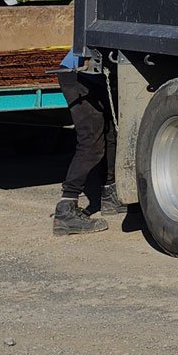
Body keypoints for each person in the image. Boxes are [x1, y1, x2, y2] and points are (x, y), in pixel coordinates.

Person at [54, 49, 113, 236]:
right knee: (91, 142)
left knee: (111, 134)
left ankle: (110, 193)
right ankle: (66, 208)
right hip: (77, 74)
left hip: (95, 76)